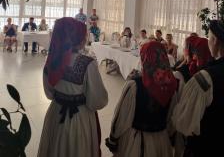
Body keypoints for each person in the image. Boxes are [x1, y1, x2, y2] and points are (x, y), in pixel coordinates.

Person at [38, 17, 108, 157]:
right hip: (79, 118)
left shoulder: (52, 60)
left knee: (55, 148)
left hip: (56, 113)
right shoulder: (88, 64)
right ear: (78, 39)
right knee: (77, 148)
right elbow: (97, 101)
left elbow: (49, 94)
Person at [106, 41, 177, 157]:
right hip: (161, 142)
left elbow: (122, 117)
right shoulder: (171, 86)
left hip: (137, 142)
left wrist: (113, 139)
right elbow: (171, 119)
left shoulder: (135, 86)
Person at [172, 20, 224, 157]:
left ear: (215, 40)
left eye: (209, 37)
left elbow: (184, 122)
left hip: (206, 147)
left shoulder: (205, 78)